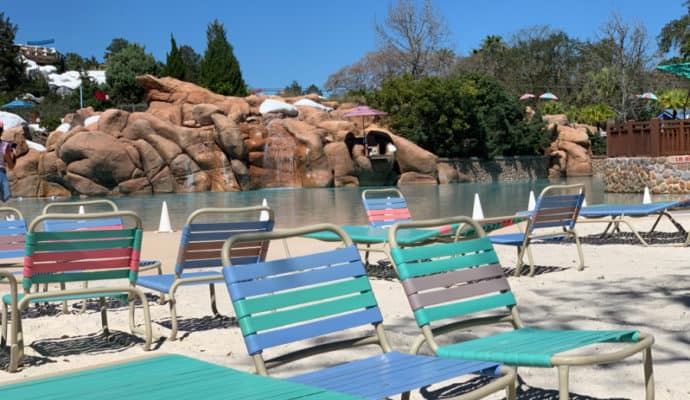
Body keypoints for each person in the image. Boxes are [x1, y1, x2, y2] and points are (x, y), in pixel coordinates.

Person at [0, 121, 16, 202]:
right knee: (6, 203)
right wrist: (14, 155)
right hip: (1, 175)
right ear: (2, 131)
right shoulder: (4, 145)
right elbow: (11, 166)